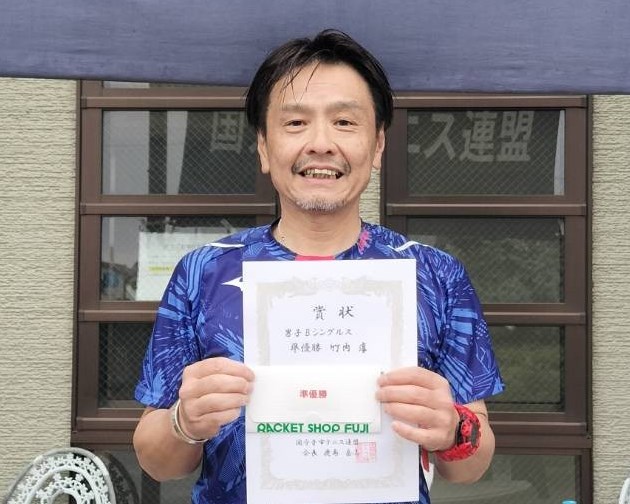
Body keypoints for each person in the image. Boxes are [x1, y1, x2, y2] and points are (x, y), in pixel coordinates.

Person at [133, 29, 504, 504]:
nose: (321, 143)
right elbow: (157, 461)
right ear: (264, 147)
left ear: (377, 145)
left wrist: (453, 429)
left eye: (345, 122)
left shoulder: (434, 275)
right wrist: (185, 422)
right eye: (295, 123)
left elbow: (470, 466)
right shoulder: (203, 272)